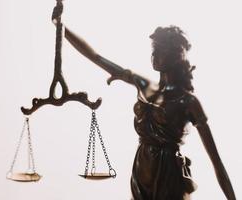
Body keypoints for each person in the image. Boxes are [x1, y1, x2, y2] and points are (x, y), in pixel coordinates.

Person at [51, 5, 236, 200]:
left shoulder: (188, 102)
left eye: (160, 50)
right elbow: (95, 56)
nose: (154, 56)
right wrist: (61, 27)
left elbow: (217, 163)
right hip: (142, 168)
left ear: (176, 54)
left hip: (169, 174)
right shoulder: (143, 84)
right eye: (153, 50)